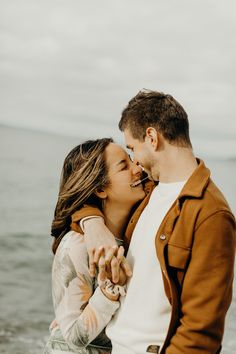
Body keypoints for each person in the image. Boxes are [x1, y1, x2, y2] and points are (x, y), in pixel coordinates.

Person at [74, 90, 236, 354]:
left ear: (151, 137)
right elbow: (82, 204)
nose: (134, 161)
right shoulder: (148, 190)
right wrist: (93, 226)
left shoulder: (211, 214)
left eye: (132, 148)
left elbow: (200, 332)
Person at [44, 138, 147, 354]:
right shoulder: (76, 246)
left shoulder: (133, 233)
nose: (137, 167)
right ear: (100, 189)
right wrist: (109, 290)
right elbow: (73, 337)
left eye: (131, 159)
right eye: (124, 165)